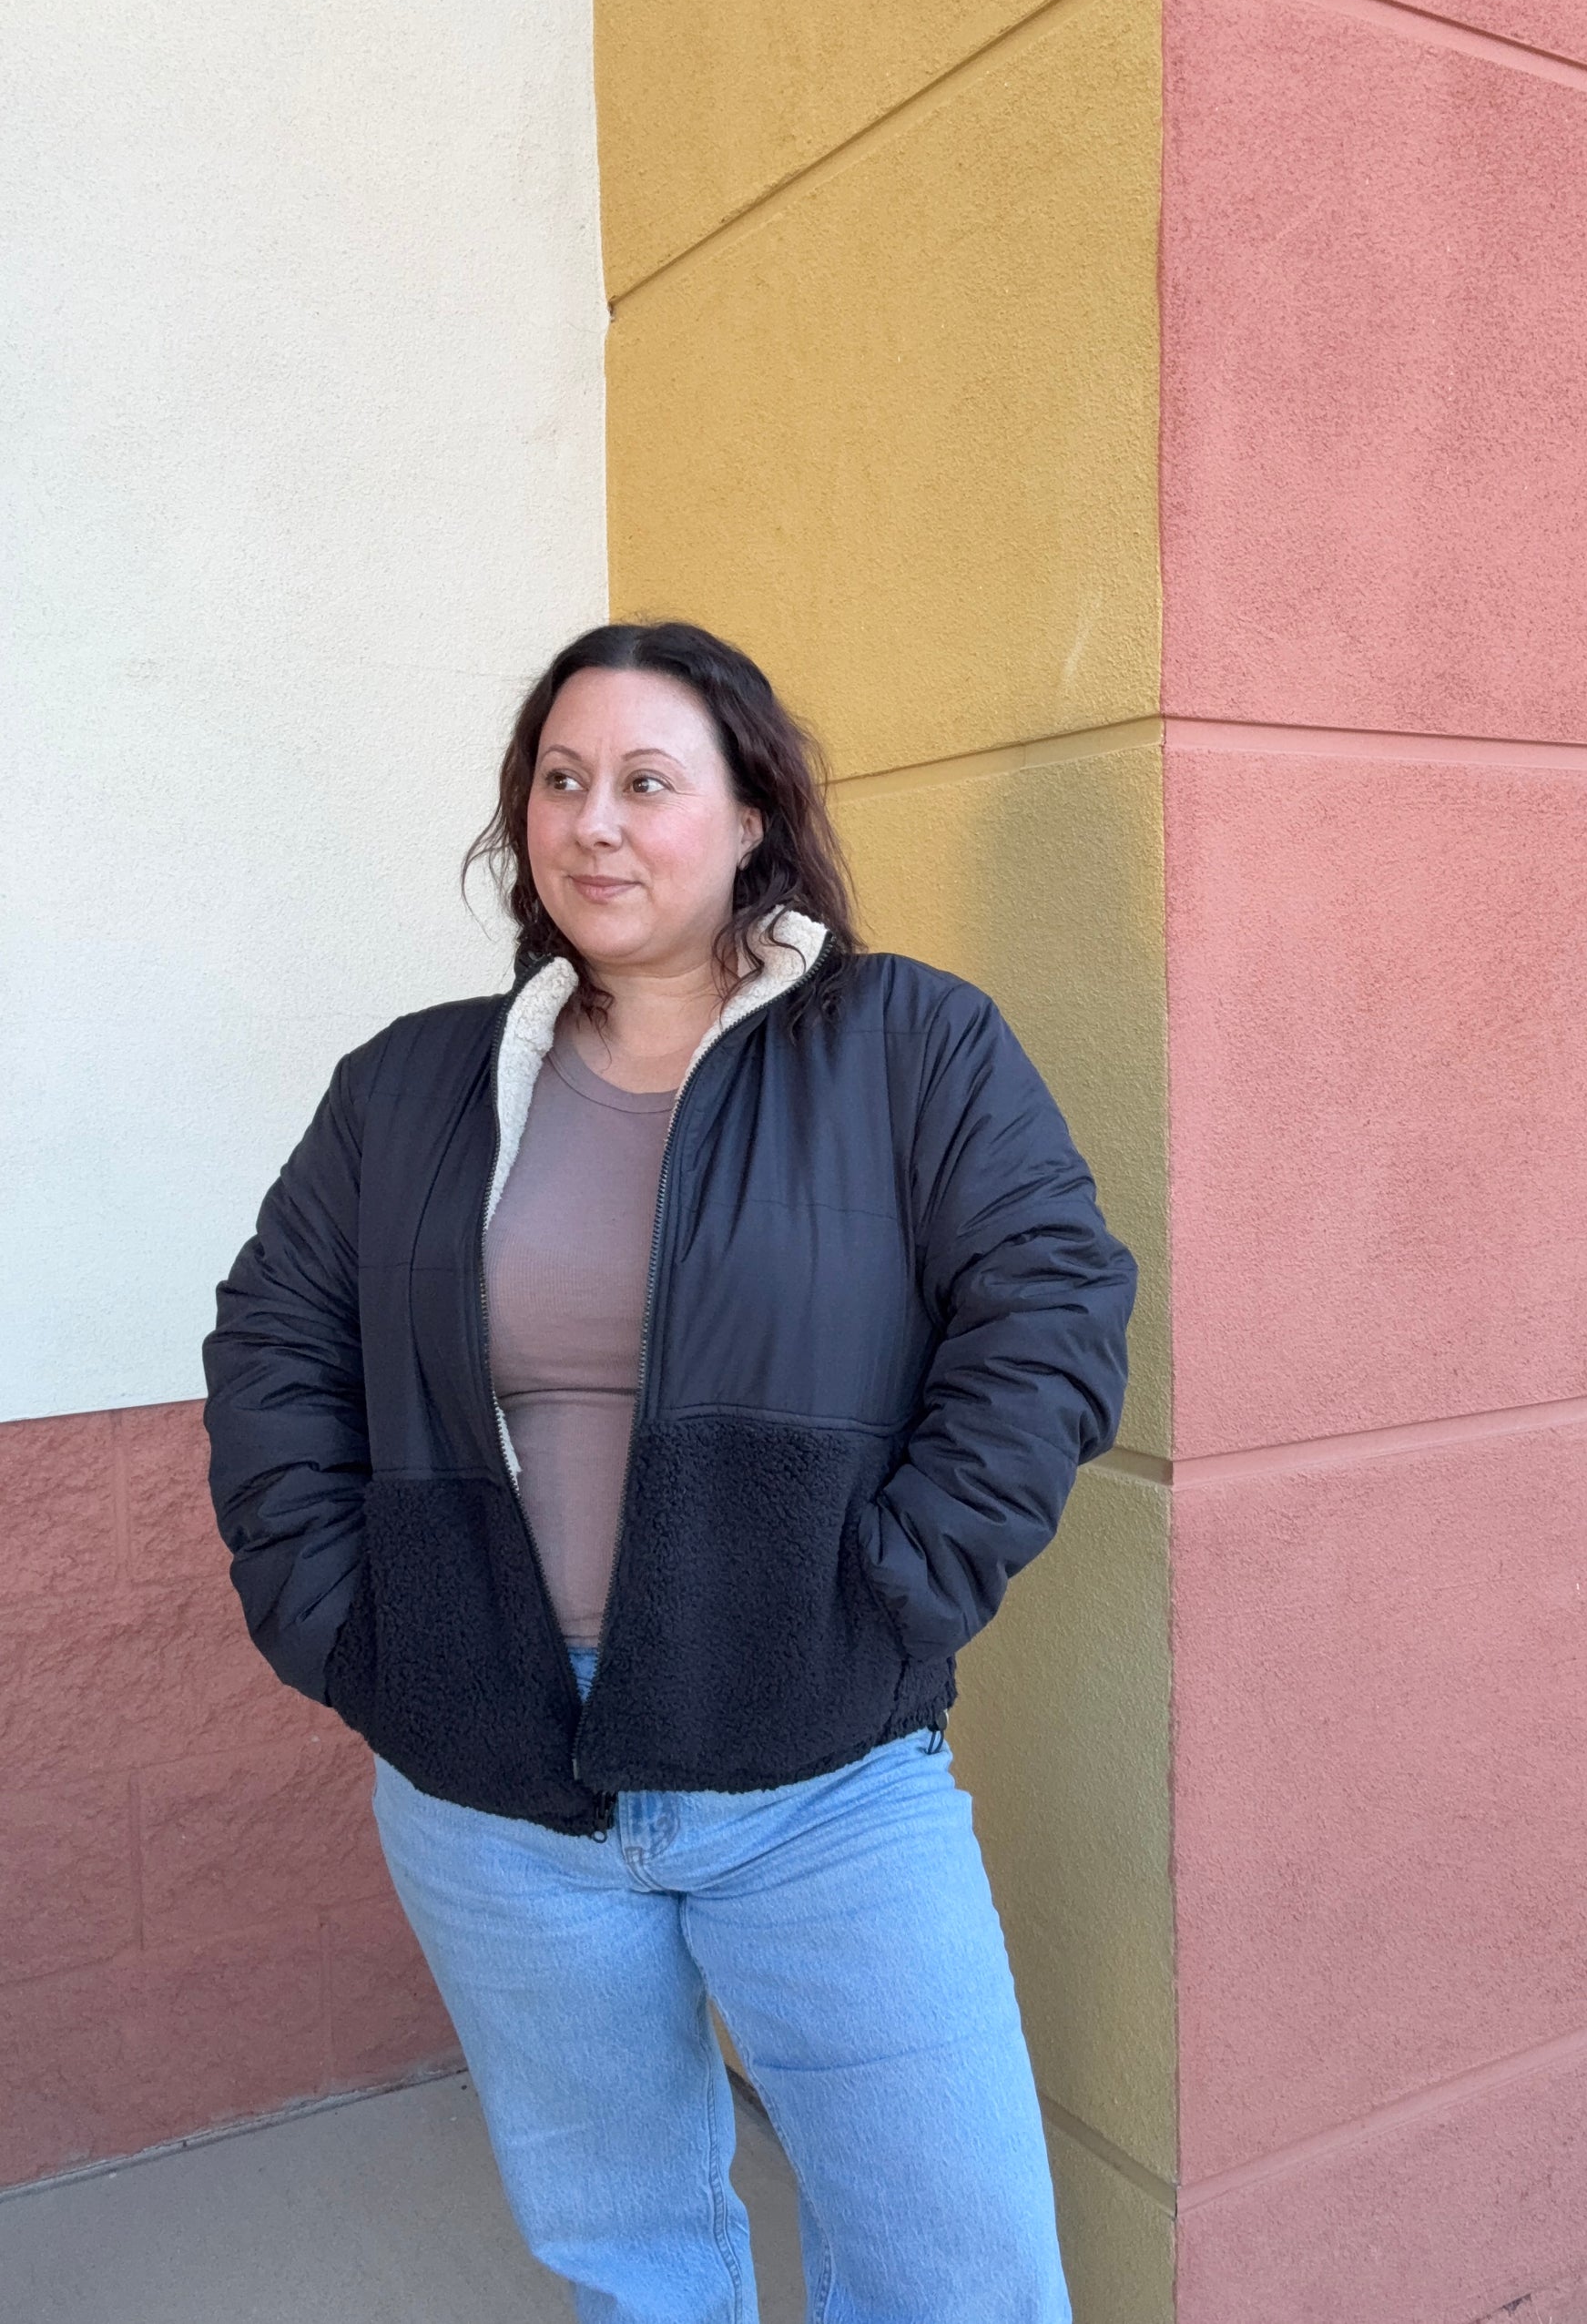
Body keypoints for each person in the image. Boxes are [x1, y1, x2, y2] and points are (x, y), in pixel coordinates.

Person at [202, 618, 1137, 2324]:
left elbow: (1053, 1310)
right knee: (634, 2263)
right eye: (561, 782)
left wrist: (887, 1593)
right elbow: (272, 1340)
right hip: (493, 1788)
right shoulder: (409, 1086)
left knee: (961, 2273)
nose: (595, 824)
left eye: (647, 781)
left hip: (823, 1781)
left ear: (752, 818)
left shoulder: (910, 1048)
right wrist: (349, 1625)